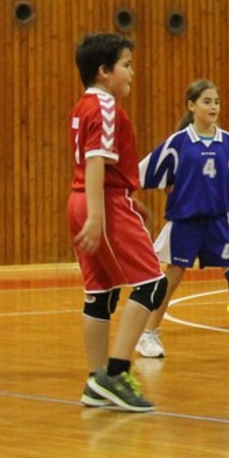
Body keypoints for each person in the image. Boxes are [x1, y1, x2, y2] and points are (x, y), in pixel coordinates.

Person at [135, 79, 229, 360]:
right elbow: (144, 173)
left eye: (216, 102)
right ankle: (148, 334)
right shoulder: (178, 143)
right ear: (191, 106)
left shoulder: (228, 142)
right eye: (207, 101)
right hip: (185, 222)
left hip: (218, 223)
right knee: (172, 277)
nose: (213, 106)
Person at [69, 33, 168, 412]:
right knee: (153, 284)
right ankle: (115, 373)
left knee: (101, 293)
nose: (132, 73)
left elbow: (96, 164)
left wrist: (127, 200)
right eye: (126, 65)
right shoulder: (106, 106)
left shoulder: (82, 105)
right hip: (102, 203)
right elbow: (96, 160)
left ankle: (96, 381)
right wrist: (99, 215)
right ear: (104, 71)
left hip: (83, 199)